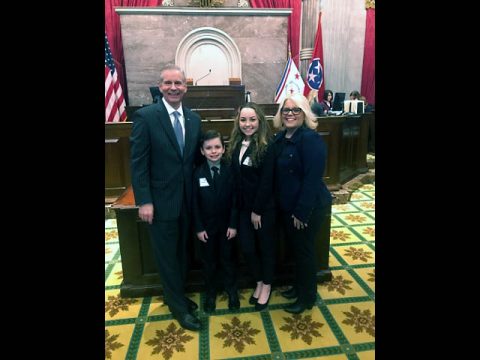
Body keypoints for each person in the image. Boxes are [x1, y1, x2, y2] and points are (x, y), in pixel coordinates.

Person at [130, 64, 202, 331]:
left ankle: (178, 296)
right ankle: (178, 307)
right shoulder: (146, 117)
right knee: (167, 257)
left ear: (185, 87)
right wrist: (144, 200)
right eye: (168, 83)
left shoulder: (194, 119)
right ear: (160, 87)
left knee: (183, 253)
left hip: (187, 202)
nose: (174, 88)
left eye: (179, 83)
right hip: (160, 204)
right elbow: (138, 163)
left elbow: (195, 161)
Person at [272, 93, 333, 314]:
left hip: (308, 207)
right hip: (289, 207)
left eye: (295, 110)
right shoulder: (282, 137)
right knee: (297, 251)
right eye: (286, 110)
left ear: (304, 113)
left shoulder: (310, 138)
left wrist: (302, 212)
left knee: (304, 252)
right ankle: (299, 287)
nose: (290, 114)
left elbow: (312, 178)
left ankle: (307, 297)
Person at [227, 102, 276, 311]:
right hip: (243, 209)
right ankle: (258, 281)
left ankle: (267, 284)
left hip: (262, 209)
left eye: (252, 120)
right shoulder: (237, 144)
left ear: (260, 121)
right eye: (243, 120)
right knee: (247, 248)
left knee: (266, 249)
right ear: (238, 122)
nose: (248, 124)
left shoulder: (267, 145)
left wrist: (257, 210)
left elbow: (267, 182)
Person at [192, 130, 240, 313]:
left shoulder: (230, 170)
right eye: (209, 148)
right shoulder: (197, 173)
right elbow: (194, 204)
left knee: (228, 260)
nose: (213, 151)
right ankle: (210, 293)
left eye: (217, 147)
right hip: (206, 229)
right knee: (209, 262)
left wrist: (234, 224)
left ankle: (232, 291)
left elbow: (236, 200)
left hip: (228, 227)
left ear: (224, 148)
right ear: (202, 151)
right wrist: (198, 227)